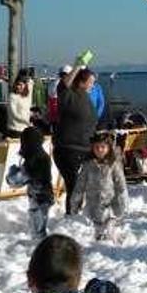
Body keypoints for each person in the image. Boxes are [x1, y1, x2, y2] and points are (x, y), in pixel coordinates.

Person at [54, 66, 99, 215]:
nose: (93, 85)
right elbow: (62, 85)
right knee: (74, 184)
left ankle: (81, 213)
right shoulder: (69, 95)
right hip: (67, 149)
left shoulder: (87, 97)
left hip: (85, 149)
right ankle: (71, 216)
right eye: (91, 82)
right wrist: (77, 65)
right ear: (81, 82)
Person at [71, 133, 129, 241]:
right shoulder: (88, 165)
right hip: (93, 203)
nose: (100, 150)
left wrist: (123, 200)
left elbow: (121, 184)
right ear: (92, 148)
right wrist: (75, 201)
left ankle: (113, 242)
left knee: (109, 228)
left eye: (103, 147)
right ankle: (99, 241)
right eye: (97, 147)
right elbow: (80, 185)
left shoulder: (113, 164)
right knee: (97, 229)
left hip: (110, 203)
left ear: (108, 148)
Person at [5, 126, 54, 239]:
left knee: (38, 230)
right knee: (38, 226)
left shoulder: (35, 160)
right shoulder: (41, 156)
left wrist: (12, 172)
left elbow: (18, 180)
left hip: (40, 198)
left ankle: (40, 248)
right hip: (42, 196)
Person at [7, 73, 34, 138]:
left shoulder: (26, 97)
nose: (19, 87)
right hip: (15, 130)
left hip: (26, 129)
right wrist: (27, 121)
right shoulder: (12, 96)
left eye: (22, 85)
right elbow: (14, 114)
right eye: (18, 84)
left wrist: (32, 114)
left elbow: (31, 85)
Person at [46, 65, 72, 131]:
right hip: (60, 117)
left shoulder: (53, 84)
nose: (64, 76)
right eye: (62, 75)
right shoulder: (56, 84)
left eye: (65, 74)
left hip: (56, 116)